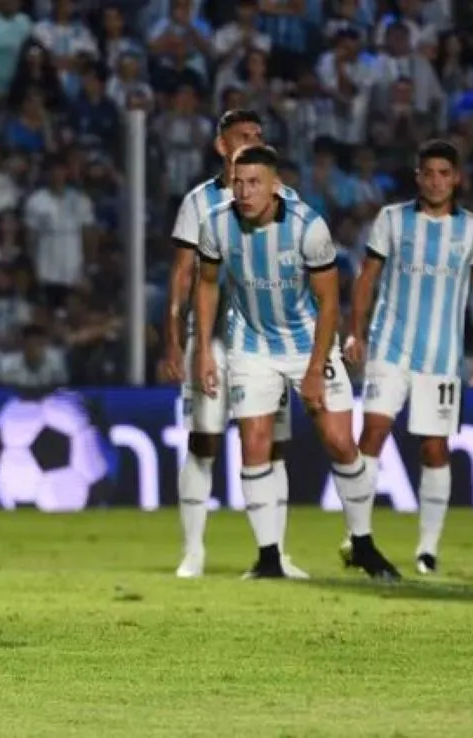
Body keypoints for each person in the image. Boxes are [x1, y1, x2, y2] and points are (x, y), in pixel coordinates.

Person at [192, 145, 400, 580]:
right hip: (250, 343)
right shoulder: (215, 225)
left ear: (274, 187)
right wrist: (204, 353)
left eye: (254, 183)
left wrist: (312, 371)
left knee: (341, 442)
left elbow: (329, 305)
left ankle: (361, 542)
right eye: (238, 182)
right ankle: (269, 557)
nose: (244, 192)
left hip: (309, 342)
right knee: (254, 444)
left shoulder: (309, 227)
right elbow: (208, 285)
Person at [343, 140, 473, 575]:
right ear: (418, 177)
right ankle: (358, 536)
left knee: (434, 448)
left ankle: (427, 550)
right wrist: (355, 332)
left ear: (457, 178)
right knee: (372, 433)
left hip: (442, 357)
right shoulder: (392, 219)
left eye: (443, 173)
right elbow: (366, 276)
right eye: (428, 173)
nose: (435, 181)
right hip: (390, 345)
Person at [161, 109, 303, 579]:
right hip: (213, 341)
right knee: (204, 441)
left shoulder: (285, 200)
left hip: (268, 342)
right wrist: (173, 338)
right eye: (243, 136)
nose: (251, 142)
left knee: (272, 445)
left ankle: (275, 553)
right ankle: (193, 551)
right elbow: (182, 275)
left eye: (258, 135)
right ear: (222, 146)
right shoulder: (199, 202)